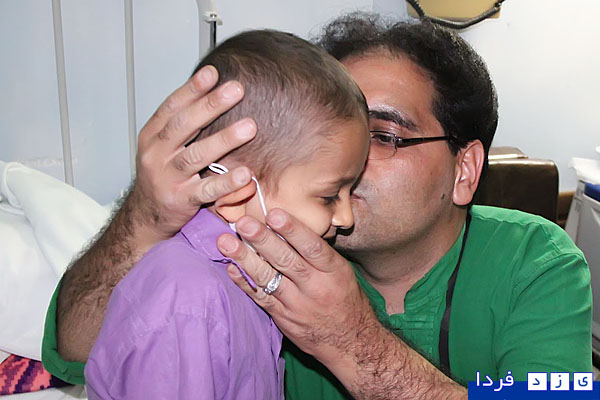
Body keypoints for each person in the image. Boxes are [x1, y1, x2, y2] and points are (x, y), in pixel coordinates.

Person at [41, 13, 592, 400]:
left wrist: (351, 340)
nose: (346, 165)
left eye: (382, 135)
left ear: (463, 170)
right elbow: (77, 350)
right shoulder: (251, 248)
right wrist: (145, 217)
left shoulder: (535, 260)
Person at [82, 29, 369, 400]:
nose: (346, 218)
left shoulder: (241, 280)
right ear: (234, 193)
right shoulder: (188, 301)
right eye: (329, 197)